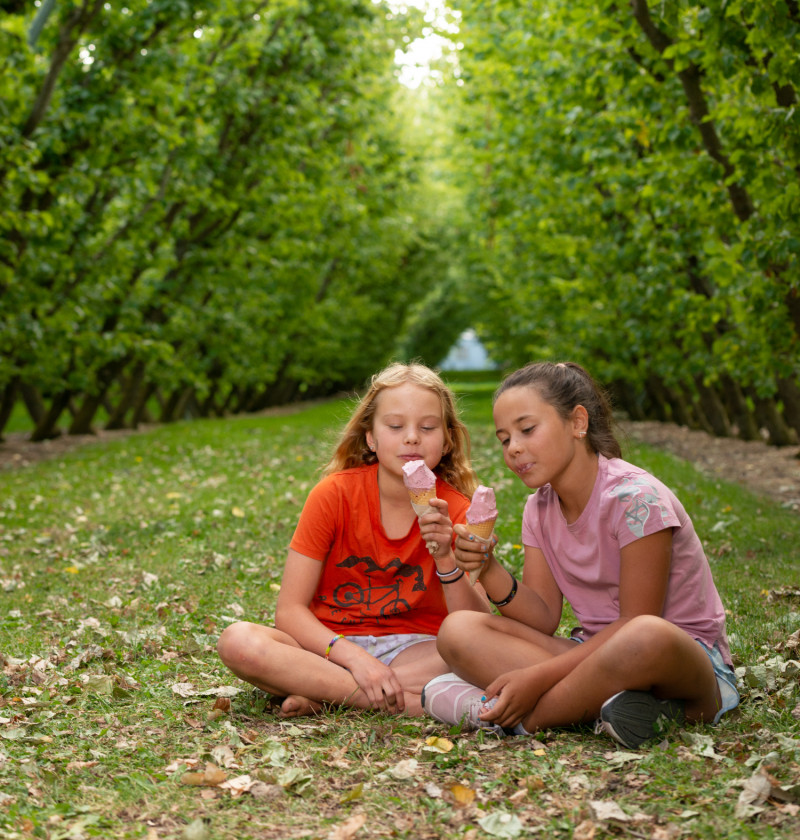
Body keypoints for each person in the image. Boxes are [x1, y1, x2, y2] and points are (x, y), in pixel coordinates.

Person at [421, 361, 739, 748]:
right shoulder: (538, 508)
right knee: (459, 631)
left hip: (681, 658)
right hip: (589, 653)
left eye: (527, 429)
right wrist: (487, 567)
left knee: (644, 635)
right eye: (505, 439)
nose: (514, 448)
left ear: (577, 422)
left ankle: (521, 718)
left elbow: (636, 622)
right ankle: (622, 708)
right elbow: (542, 617)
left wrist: (537, 679)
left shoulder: (636, 499)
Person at [217, 362, 490, 718]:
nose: (412, 437)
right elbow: (289, 611)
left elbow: (477, 625)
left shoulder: (457, 511)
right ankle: (394, 701)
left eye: (427, 427)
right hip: (327, 647)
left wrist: (445, 558)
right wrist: (356, 660)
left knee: (476, 651)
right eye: (395, 426)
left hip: (419, 649)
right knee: (238, 642)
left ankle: (326, 693)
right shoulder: (333, 495)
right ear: (371, 438)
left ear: (447, 439)